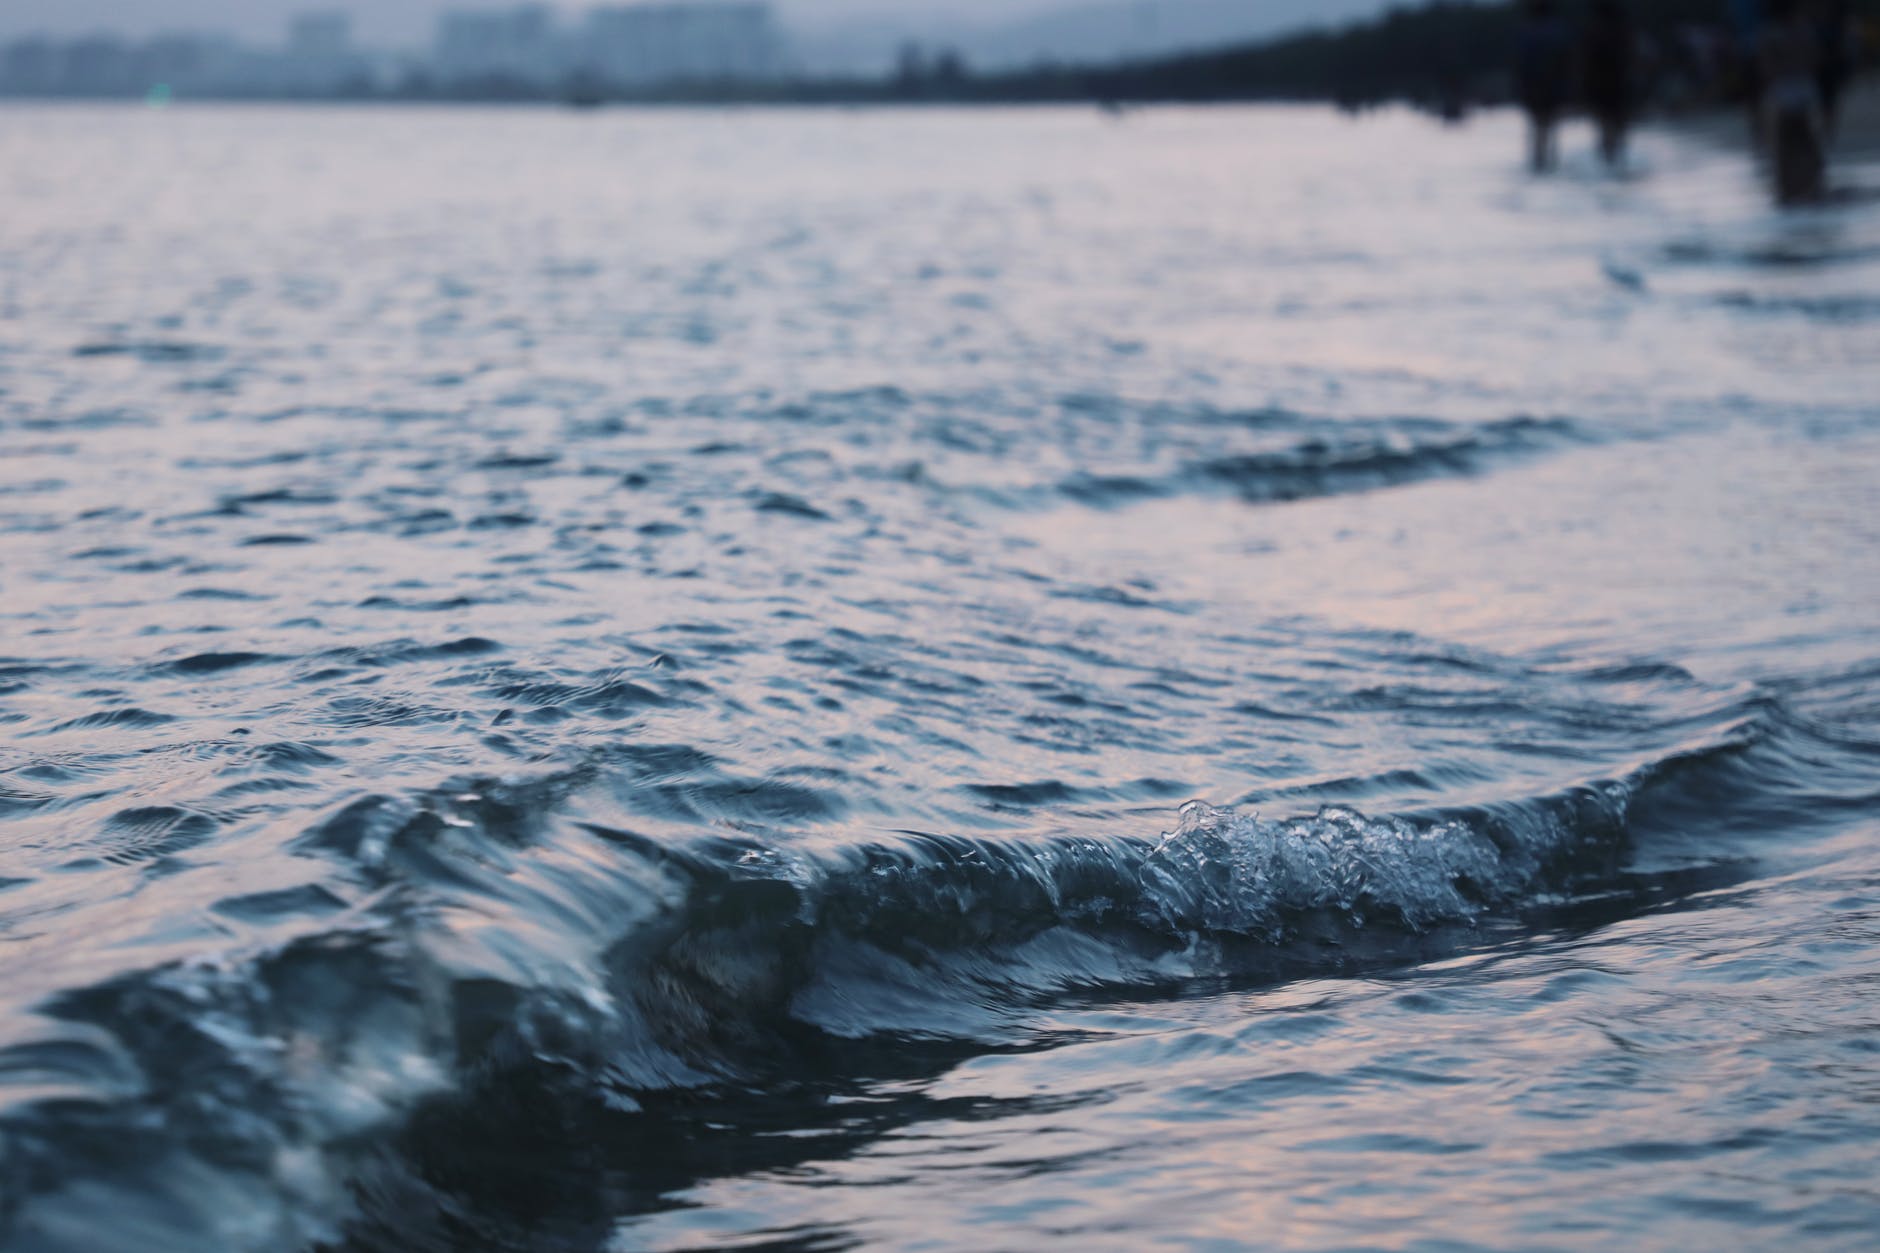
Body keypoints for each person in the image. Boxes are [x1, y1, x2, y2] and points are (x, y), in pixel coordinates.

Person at [1760, 0, 1827, 202]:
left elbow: (1766, 66)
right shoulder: (1801, 30)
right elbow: (1814, 58)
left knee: (1787, 142)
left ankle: (1789, 188)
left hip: (1786, 90)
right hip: (1800, 88)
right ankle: (1812, 183)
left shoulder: (1773, 33)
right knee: (1805, 139)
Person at [1516, 0, 1573, 172]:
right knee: (1551, 125)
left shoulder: (1528, 31)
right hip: (1553, 86)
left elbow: (1521, 63)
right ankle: (1549, 161)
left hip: (1534, 86)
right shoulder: (1558, 31)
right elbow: (1565, 60)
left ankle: (1539, 161)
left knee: (1538, 125)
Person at [1582, 0, 1636, 167]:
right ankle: (1617, 160)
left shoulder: (1594, 33)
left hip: (1600, 87)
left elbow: (1585, 64)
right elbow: (1632, 59)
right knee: (1619, 125)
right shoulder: (1622, 32)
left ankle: (1609, 160)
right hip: (1619, 85)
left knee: (1605, 126)